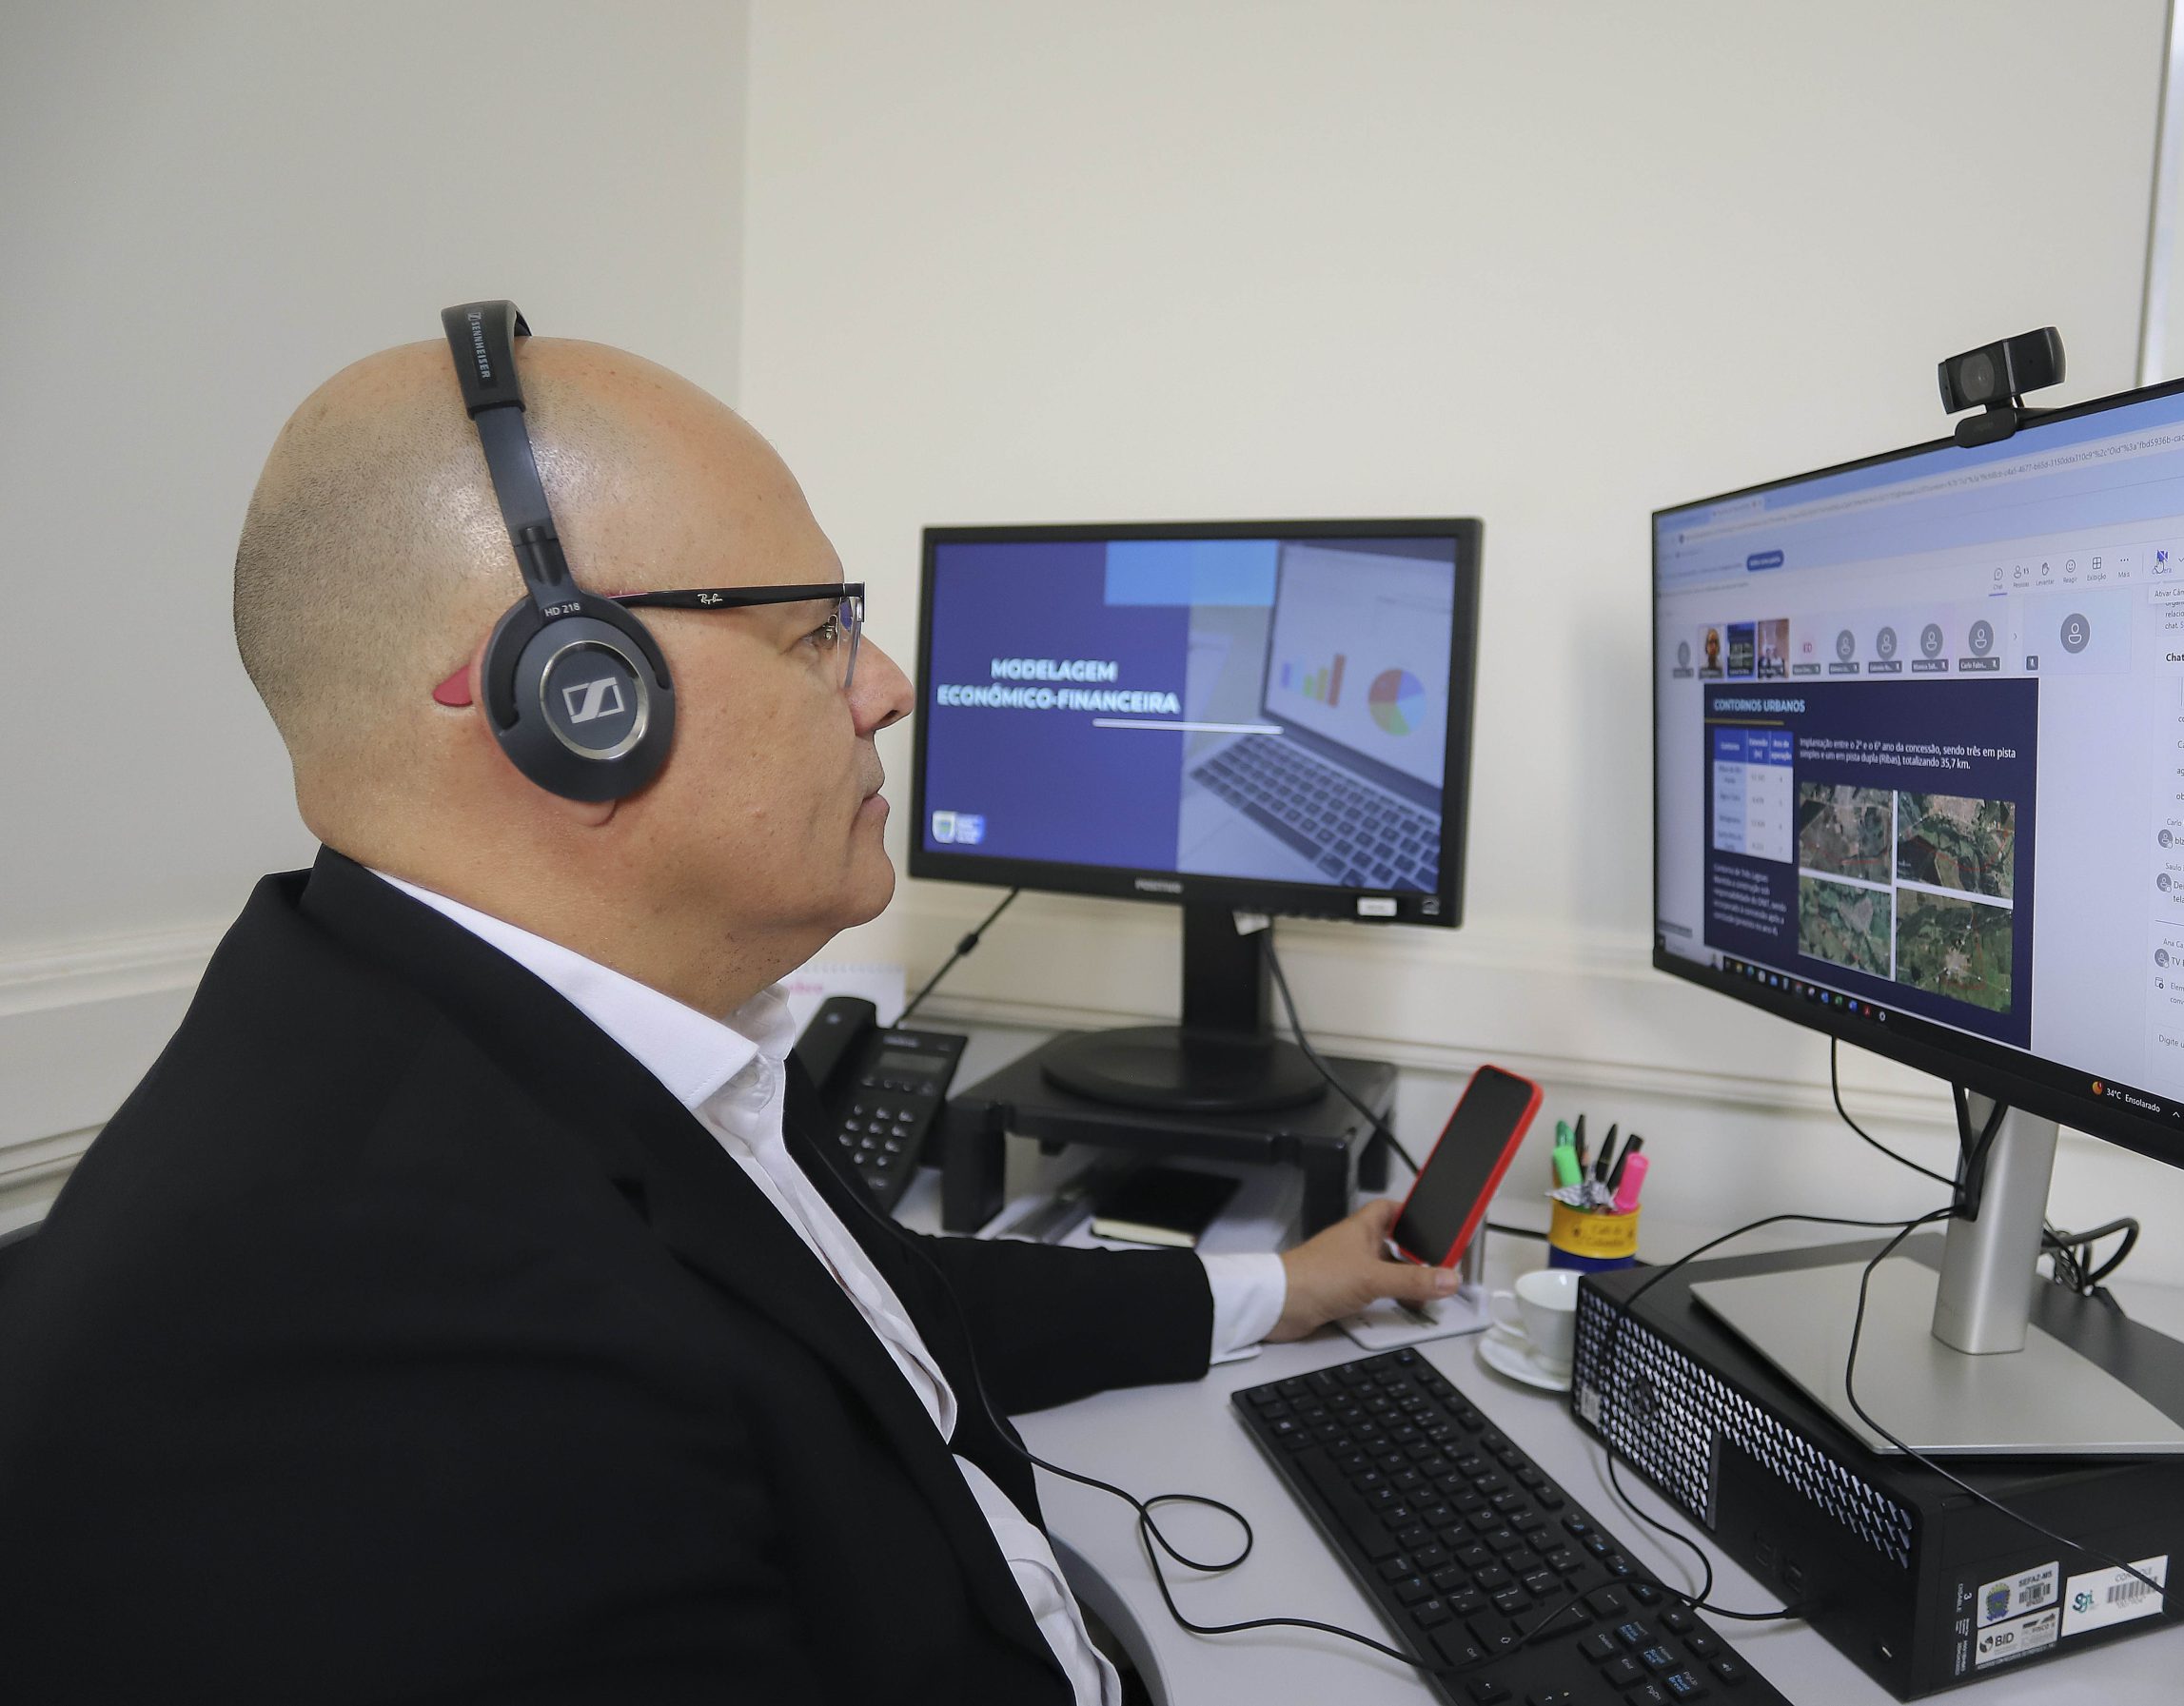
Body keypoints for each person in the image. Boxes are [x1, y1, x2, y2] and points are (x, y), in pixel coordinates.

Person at [0, 318, 1458, 1702]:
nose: (890, 687)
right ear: (576, 697)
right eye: (818, 629)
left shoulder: (549, 1028)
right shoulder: (428, 1346)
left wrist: (1281, 1286)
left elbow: (871, 1302)